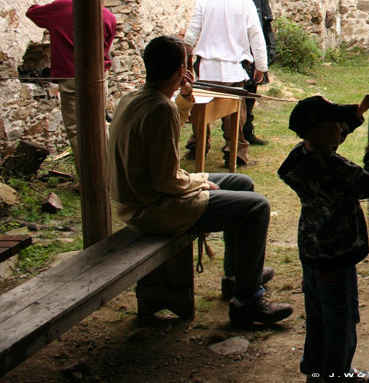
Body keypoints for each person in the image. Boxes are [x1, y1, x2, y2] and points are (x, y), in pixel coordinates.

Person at [107, 35, 292, 325]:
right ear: (182, 68)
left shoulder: (134, 98)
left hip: (143, 197)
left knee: (241, 184)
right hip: (154, 208)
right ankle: (247, 301)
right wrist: (200, 183)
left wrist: (183, 98)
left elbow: (162, 136)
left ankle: (236, 277)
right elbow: (166, 181)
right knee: (257, 207)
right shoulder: (159, 108)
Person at [279, 94, 369, 383]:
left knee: (317, 313)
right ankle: (336, 375)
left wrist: (358, 114)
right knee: (341, 318)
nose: (340, 125)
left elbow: (332, 140)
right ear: (319, 129)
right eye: (335, 122)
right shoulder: (335, 166)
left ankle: (316, 369)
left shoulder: (301, 156)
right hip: (338, 253)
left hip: (311, 250)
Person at [184, 0, 268, 166]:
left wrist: (186, 56)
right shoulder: (245, 3)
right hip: (231, 68)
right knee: (234, 112)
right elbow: (257, 37)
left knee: (203, 107)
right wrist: (261, 66)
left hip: (209, 67)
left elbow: (192, 32)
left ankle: (199, 145)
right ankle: (235, 152)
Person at [26, 0, 117, 160]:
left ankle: (90, 181)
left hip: (72, 75)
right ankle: (110, 174)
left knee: (77, 129)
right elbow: (107, 47)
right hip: (99, 75)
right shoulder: (108, 16)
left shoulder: (61, 8)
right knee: (99, 125)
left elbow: (32, 13)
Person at [233, 0, 277, 146]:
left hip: (253, 48)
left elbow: (265, 21)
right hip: (233, 47)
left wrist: (270, 47)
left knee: (250, 91)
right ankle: (232, 135)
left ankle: (247, 131)